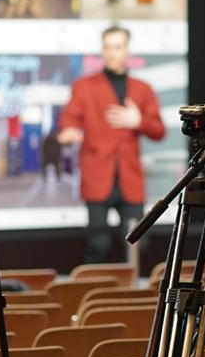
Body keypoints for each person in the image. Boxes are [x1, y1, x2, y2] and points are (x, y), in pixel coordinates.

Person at [58, 25, 165, 264]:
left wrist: (139, 121)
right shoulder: (85, 86)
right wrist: (69, 130)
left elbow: (159, 130)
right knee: (98, 244)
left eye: (117, 47)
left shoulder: (142, 89)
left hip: (129, 176)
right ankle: (93, 291)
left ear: (127, 50)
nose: (112, 53)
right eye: (107, 47)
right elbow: (69, 117)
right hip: (97, 175)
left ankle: (130, 295)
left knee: (138, 242)